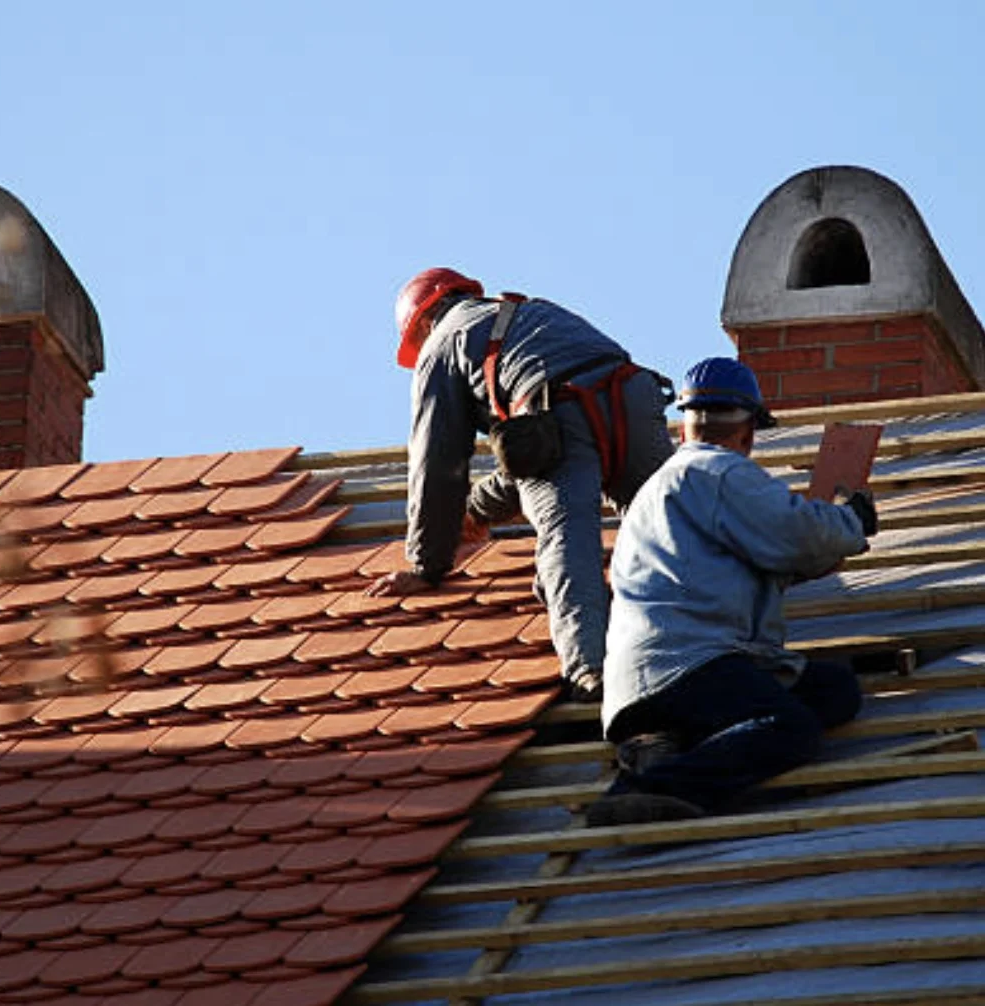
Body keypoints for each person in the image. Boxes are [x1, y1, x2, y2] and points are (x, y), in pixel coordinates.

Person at [587, 357, 877, 827]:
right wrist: (850, 521)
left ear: (684, 426)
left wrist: (821, 552)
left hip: (655, 674)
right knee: (793, 728)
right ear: (748, 433)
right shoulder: (717, 472)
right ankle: (644, 790)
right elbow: (794, 530)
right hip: (688, 664)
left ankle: (666, 746)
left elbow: (761, 560)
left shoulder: (666, 488)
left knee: (833, 689)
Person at [366, 267, 675, 701]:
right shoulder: (530, 312)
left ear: (421, 322)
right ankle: (708, 626)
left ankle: (592, 672)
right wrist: (475, 511)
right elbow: (537, 455)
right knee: (673, 519)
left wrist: (428, 564)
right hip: (633, 398)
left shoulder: (442, 343)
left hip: (558, 417)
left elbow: (437, 461)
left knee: (566, 541)